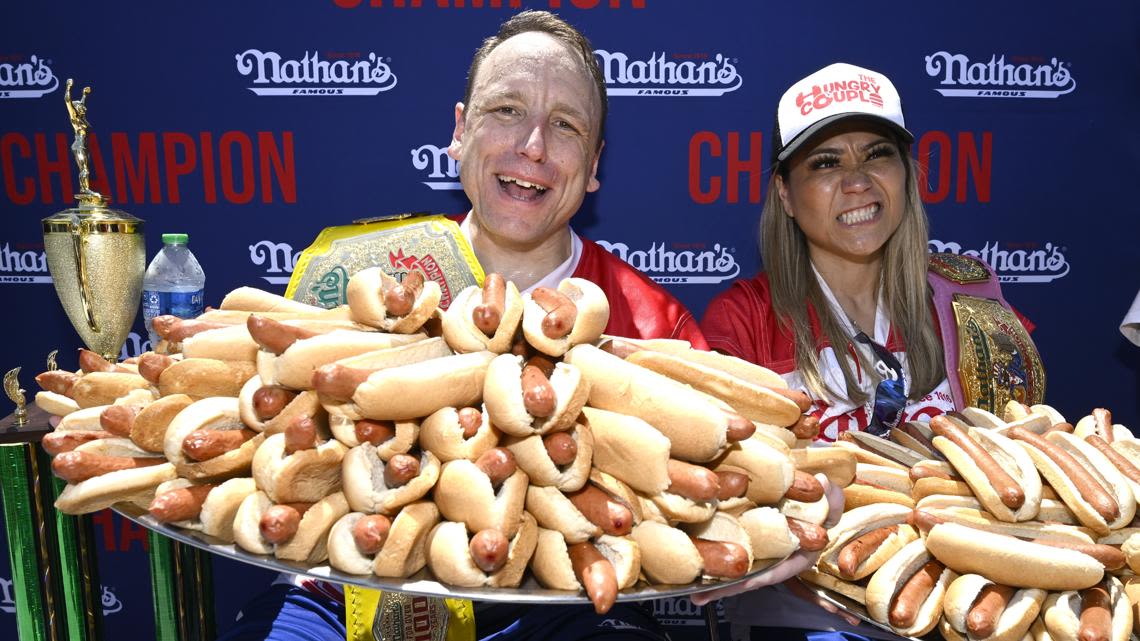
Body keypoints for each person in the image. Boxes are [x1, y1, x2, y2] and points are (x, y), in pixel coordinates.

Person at [220, 11, 838, 641]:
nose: (534, 146)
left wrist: (804, 510)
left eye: (565, 125)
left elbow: (738, 474)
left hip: (576, 606)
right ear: (460, 131)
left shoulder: (653, 322)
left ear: (593, 164)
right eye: (507, 111)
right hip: (337, 595)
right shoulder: (362, 273)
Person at [698, 62, 1044, 640]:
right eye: (826, 163)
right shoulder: (745, 318)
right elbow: (728, 496)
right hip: (800, 618)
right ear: (785, 192)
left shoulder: (967, 296)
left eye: (877, 154)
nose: (857, 181)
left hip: (959, 610)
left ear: (905, 174)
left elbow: (1025, 467)